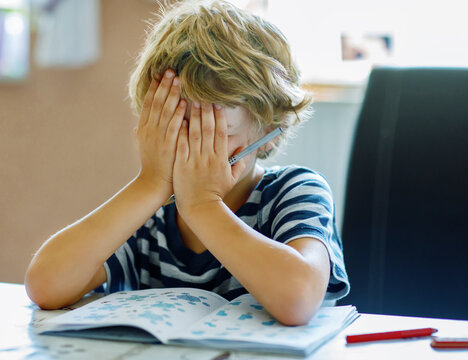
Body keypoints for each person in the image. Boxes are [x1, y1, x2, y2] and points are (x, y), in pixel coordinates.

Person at [25, 0, 349, 325]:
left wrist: (203, 206)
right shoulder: (150, 215)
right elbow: (45, 285)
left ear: (269, 131)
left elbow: (298, 299)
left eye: (214, 133)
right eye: (178, 128)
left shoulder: (296, 191)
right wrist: (149, 185)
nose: (194, 146)